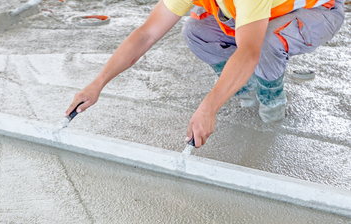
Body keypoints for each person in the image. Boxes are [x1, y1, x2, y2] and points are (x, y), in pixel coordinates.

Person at [65, 0, 345, 148]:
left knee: (266, 42)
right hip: (266, 10)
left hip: (318, 11)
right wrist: (97, 84)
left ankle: (272, 103)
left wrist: (208, 108)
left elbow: (248, 51)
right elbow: (147, 34)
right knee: (197, 30)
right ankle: (242, 88)